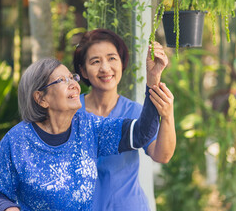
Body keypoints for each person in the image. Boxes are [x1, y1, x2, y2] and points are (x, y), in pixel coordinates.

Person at [0, 42, 171, 210]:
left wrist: (152, 79)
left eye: (73, 78)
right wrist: (9, 209)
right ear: (41, 98)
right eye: (62, 80)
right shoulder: (17, 141)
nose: (74, 84)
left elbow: (142, 133)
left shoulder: (89, 127)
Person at [73, 29, 176, 211]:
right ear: (83, 71)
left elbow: (162, 155)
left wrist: (167, 115)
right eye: (95, 61)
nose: (105, 68)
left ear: (121, 63)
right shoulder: (71, 111)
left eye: (112, 58)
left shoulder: (135, 111)